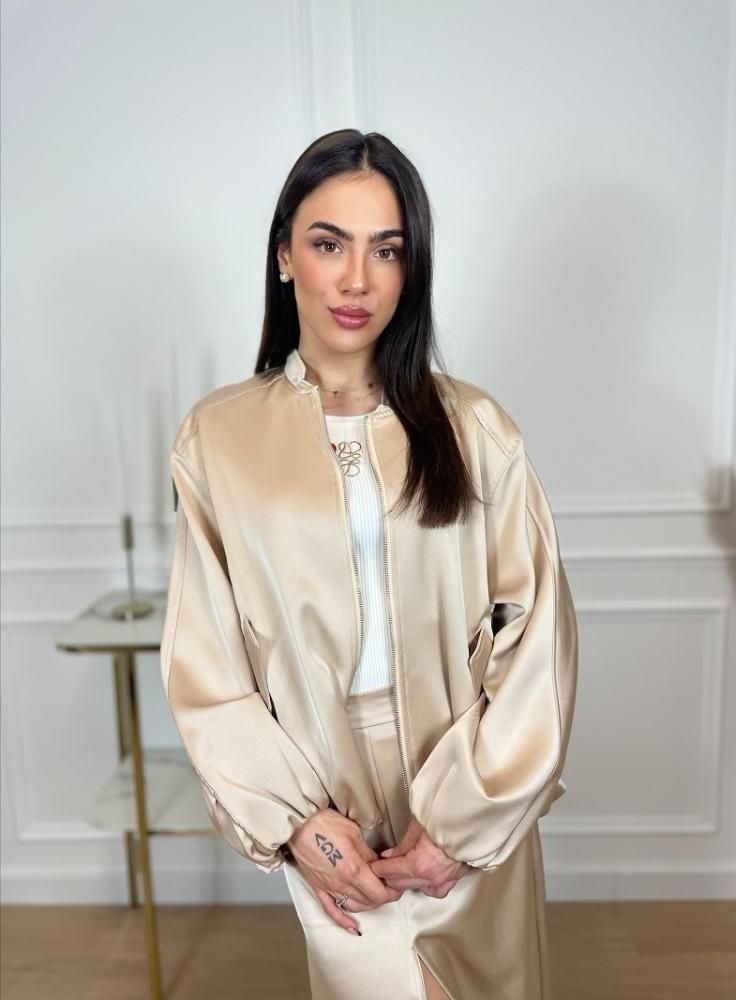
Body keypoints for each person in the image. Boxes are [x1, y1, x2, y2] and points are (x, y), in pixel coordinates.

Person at [160, 128, 578, 1000]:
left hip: (467, 782)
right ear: (284, 255)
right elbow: (206, 665)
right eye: (329, 244)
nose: (357, 279)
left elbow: (538, 640)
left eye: (387, 250)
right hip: (328, 805)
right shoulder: (218, 439)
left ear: (411, 268)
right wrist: (297, 822)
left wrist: (462, 821)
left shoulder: (476, 429)